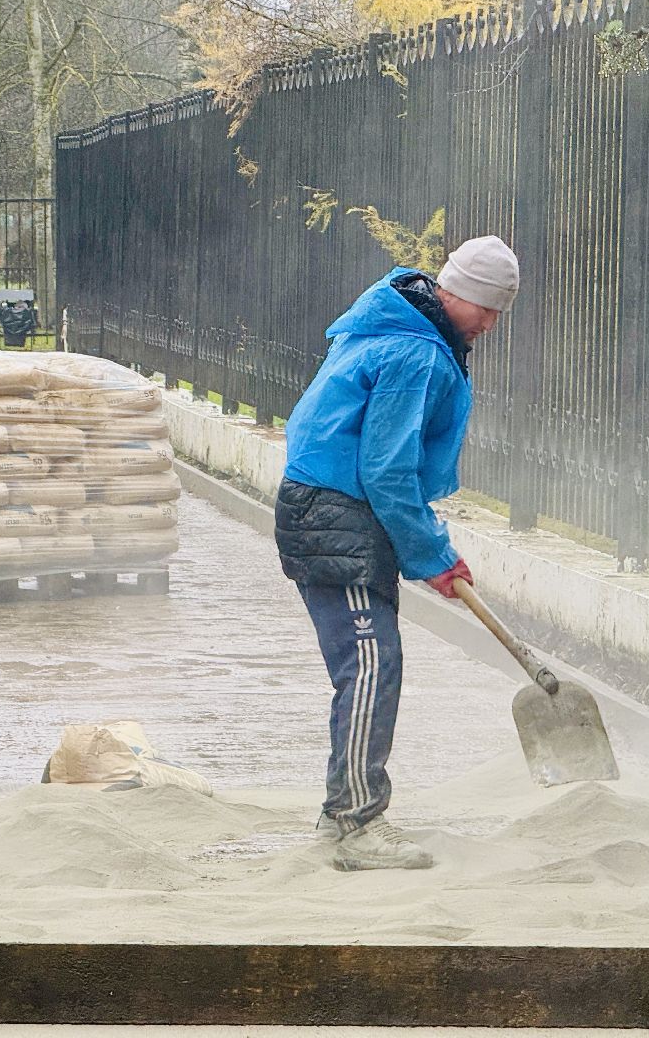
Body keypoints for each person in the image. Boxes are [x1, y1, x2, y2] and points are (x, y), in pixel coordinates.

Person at [274, 236, 519, 872]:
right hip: (337, 514)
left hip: (329, 508)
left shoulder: (397, 325)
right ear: (456, 292)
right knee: (370, 663)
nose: (492, 324)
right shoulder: (415, 354)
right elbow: (386, 470)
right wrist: (433, 554)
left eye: (500, 311)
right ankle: (356, 825)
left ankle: (340, 817)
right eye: (488, 308)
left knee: (372, 661)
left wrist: (427, 551)